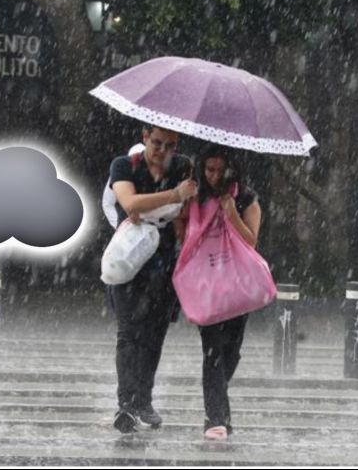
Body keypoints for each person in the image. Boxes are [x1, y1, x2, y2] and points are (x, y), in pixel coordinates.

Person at [106, 124, 197, 433]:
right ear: (144, 138)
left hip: (165, 263)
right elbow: (129, 203)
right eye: (156, 143)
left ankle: (143, 399)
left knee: (154, 336)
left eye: (169, 145)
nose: (162, 151)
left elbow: (187, 211)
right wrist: (172, 196)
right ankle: (126, 404)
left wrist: (172, 206)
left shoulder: (184, 166)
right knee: (129, 333)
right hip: (130, 260)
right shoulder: (124, 165)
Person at [187, 145, 261, 441]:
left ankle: (217, 401)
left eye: (220, 170)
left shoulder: (246, 197)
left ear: (232, 169)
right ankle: (215, 418)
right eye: (209, 169)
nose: (214, 176)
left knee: (231, 350)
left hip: (237, 284)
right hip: (206, 282)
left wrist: (231, 211)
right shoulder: (196, 194)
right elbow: (185, 233)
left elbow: (251, 241)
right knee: (213, 350)